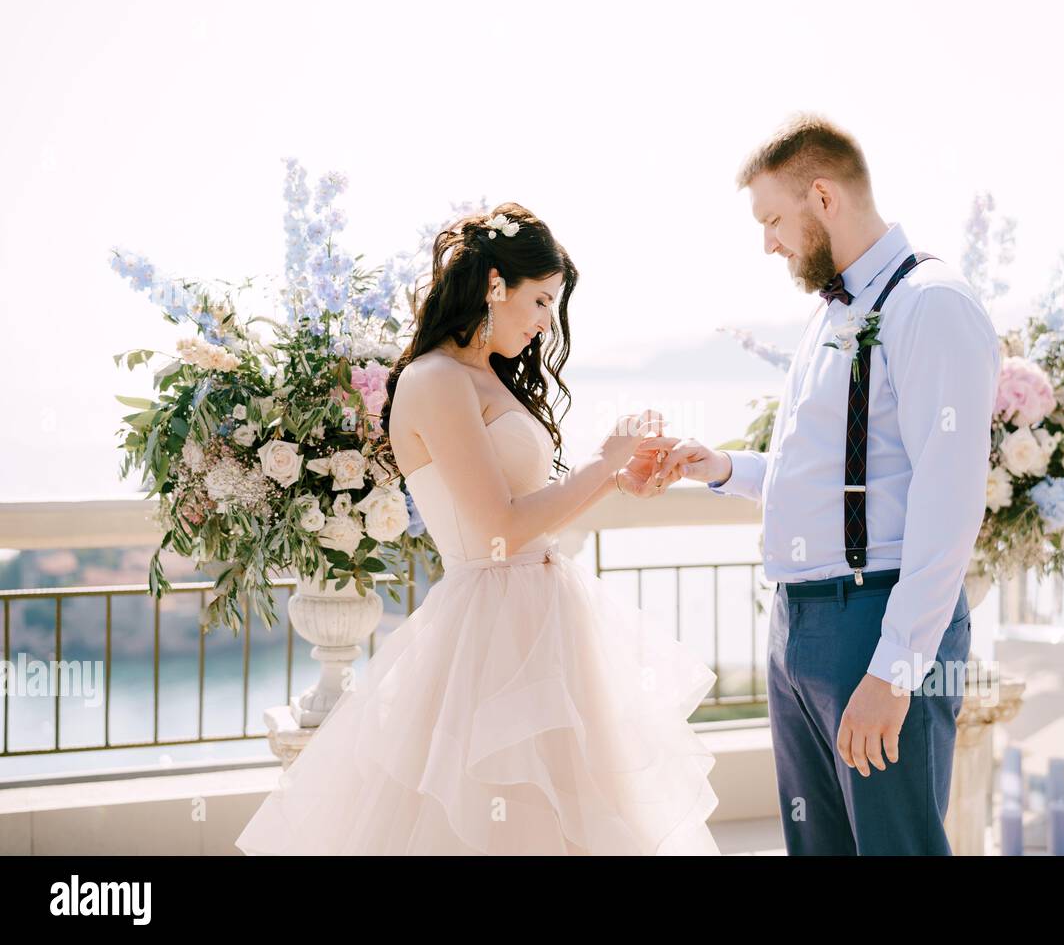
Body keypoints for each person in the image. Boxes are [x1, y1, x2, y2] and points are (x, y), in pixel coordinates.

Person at [235, 203, 719, 856]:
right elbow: (498, 528)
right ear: (496, 285)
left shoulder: (483, 375)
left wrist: (617, 477)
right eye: (541, 300)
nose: (548, 322)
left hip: (545, 619)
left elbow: (532, 511)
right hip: (491, 633)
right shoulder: (435, 380)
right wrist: (603, 462)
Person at [645, 113, 1000, 854]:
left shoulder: (929, 304)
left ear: (823, 197)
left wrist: (894, 670)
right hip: (798, 629)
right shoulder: (830, 312)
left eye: (773, 219)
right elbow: (842, 483)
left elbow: (949, 503)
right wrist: (723, 468)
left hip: (871, 626)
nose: (767, 242)